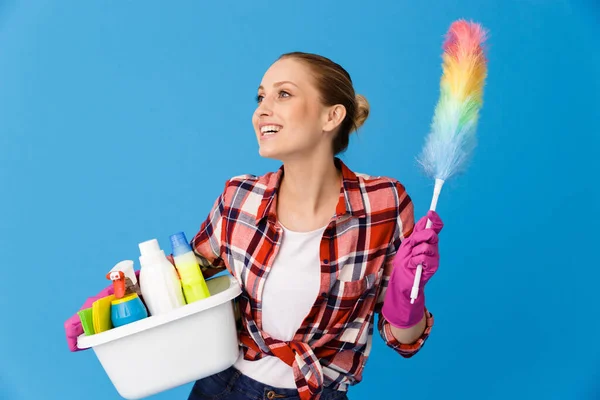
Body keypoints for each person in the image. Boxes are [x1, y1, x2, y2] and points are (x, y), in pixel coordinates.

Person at [65, 52, 444, 400]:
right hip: (223, 387)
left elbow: (404, 340)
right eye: (260, 97)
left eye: (283, 95)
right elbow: (184, 279)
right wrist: (114, 303)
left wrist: (408, 297)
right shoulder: (239, 196)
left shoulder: (384, 203)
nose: (262, 110)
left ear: (332, 116)